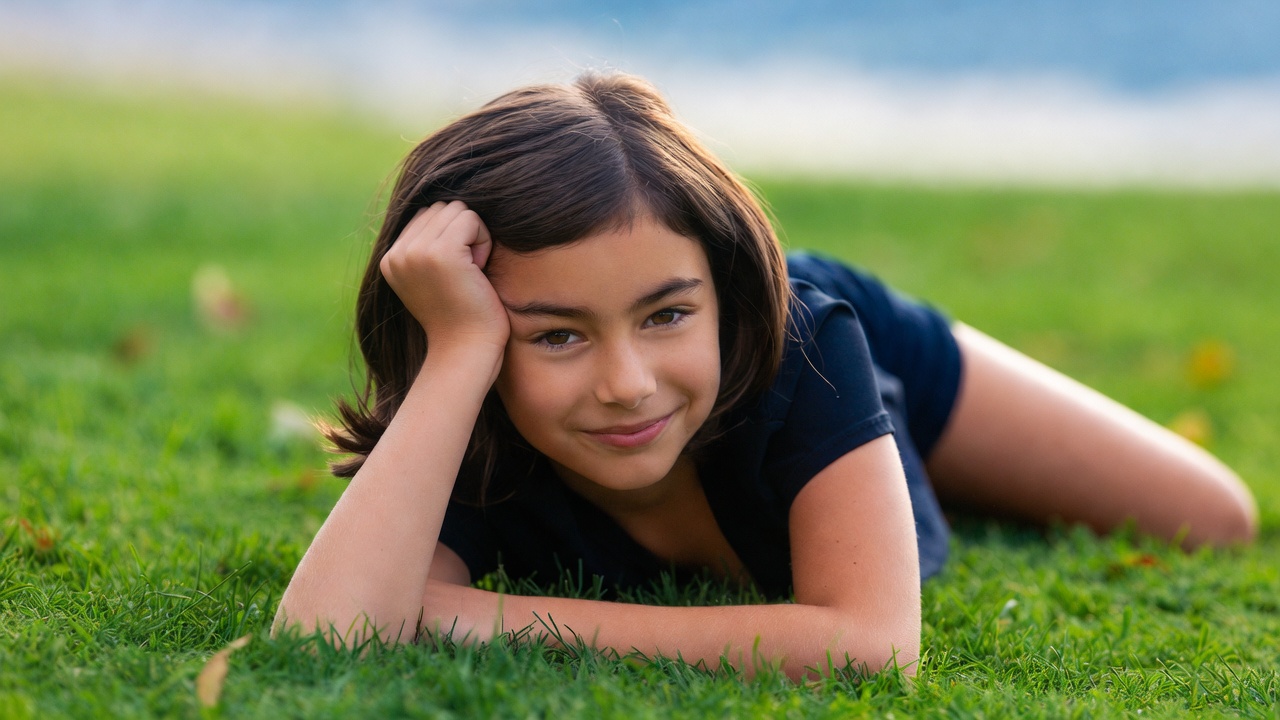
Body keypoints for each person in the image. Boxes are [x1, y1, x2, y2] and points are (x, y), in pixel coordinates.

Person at [274, 72, 1257, 679]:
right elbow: (326, 633)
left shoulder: (800, 345)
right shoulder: (469, 411)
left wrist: (492, 620)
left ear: (725, 291)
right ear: (474, 336)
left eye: (665, 314)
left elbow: (872, 647)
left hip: (851, 365)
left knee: (1207, 516)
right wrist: (454, 360)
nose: (625, 382)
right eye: (556, 337)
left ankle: (876, 454)